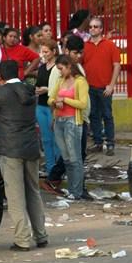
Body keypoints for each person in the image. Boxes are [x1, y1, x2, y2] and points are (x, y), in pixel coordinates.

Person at [0, 60, 48, 252]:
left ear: (0, 76)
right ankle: (41, 235)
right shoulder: (29, 90)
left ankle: (22, 240)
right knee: (33, 191)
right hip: (32, 148)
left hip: (10, 149)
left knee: (15, 196)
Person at [45, 35, 92, 198]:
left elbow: (82, 103)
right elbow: (50, 97)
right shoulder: (60, 80)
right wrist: (55, 103)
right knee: (66, 158)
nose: (59, 72)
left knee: (75, 159)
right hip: (60, 121)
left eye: (61, 69)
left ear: (69, 67)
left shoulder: (80, 81)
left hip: (74, 121)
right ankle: (73, 190)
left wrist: (64, 100)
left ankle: (77, 191)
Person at [83, 17, 121, 156]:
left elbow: (117, 65)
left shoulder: (110, 45)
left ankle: (110, 143)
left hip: (105, 87)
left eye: (96, 26)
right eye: (91, 27)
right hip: (89, 87)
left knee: (107, 115)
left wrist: (111, 85)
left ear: (101, 29)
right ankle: (98, 143)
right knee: (93, 115)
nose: (92, 29)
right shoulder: (85, 46)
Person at [34, 39, 60, 176]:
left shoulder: (59, 68)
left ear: (54, 52)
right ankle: (50, 167)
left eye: (46, 52)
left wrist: (47, 89)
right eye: (41, 51)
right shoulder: (42, 67)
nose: (43, 54)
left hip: (53, 106)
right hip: (41, 105)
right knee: (46, 138)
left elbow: (61, 87)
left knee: (56, 138)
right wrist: (38, 89)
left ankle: (58, 167)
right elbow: (38, 83)